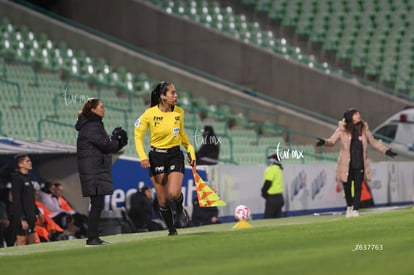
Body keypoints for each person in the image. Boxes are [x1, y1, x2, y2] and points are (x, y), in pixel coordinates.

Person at [134, 81, 196, 236]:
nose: (176, 96)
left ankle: (180, 209)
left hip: (175, 155)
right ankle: (171, 230)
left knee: (174, 193)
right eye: (172, 93)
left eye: (176, 93)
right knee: (163, 200)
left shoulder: (179, 112)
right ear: (162, 96)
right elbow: (138, 137)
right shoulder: (149, 114)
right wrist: (142, 157)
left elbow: (182, 135)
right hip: (156, 157)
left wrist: (190, 150)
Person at [316, 108, 397, 218]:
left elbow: (373, 142)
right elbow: (332, 141)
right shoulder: (342, 129)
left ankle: (355, 209)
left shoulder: (363, 129)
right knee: (347, 187)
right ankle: (349, 206)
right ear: (350, 117)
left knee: (358, 186)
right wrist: (324, 142)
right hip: (346, 164)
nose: (359, 115)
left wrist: (386, 150)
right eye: (356, 114)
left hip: (359, 162)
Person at [75, 98, 128, 246]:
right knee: (97, 204)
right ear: (93, 110)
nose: (103, 109)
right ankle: (92, 237)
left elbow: (106, 146)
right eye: (101, 107)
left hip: (94, 169)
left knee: (97, 204)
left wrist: (118, 141)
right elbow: (106, 145)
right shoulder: (92, 126)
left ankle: (93, 236)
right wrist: (117, 139)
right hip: (94, 170)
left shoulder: (91, 125)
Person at [10, 154, 40, 245]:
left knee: (32, 241)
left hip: (30, 216)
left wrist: (37, 211)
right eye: (27, 161)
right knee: (22, 241)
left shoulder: (28, 178)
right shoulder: (17, 179)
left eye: (30, 161)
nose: (30, 163)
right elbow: (16, 201)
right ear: (20, 165)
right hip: (22, 217)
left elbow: (30, 199)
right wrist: (22, 218)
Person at [261, 154, 284, 219]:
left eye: (270, 159)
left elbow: (268, 182)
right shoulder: (279, 169)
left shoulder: (272, 169)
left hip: (272, 198)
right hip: (280, 197)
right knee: (277, 218)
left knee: (268, 218)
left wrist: (263, 192)